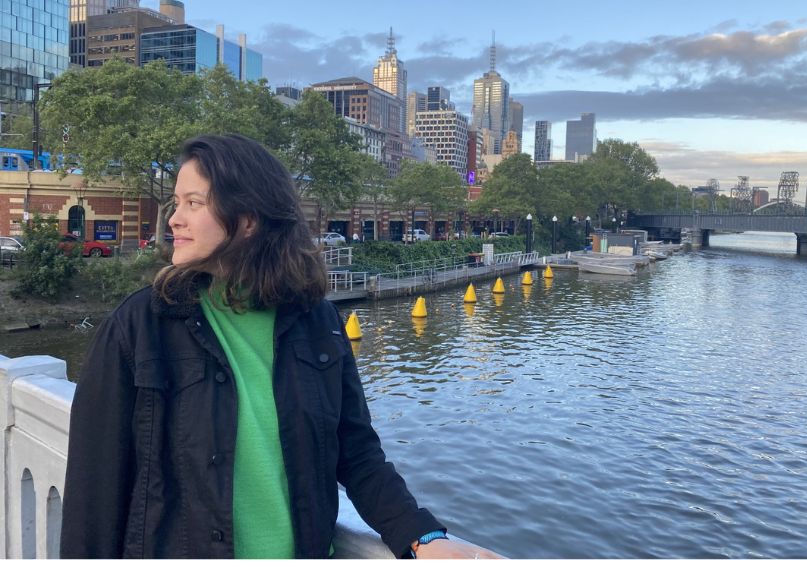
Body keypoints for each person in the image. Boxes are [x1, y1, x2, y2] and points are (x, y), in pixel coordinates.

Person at [60, 134, 502, 560]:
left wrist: (422, 536)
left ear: (249, 219)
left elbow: (358, 453)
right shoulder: (138, 326)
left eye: (193, 203)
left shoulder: (319, 322)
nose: (174, 218)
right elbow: (94, 491)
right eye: (178, 202)